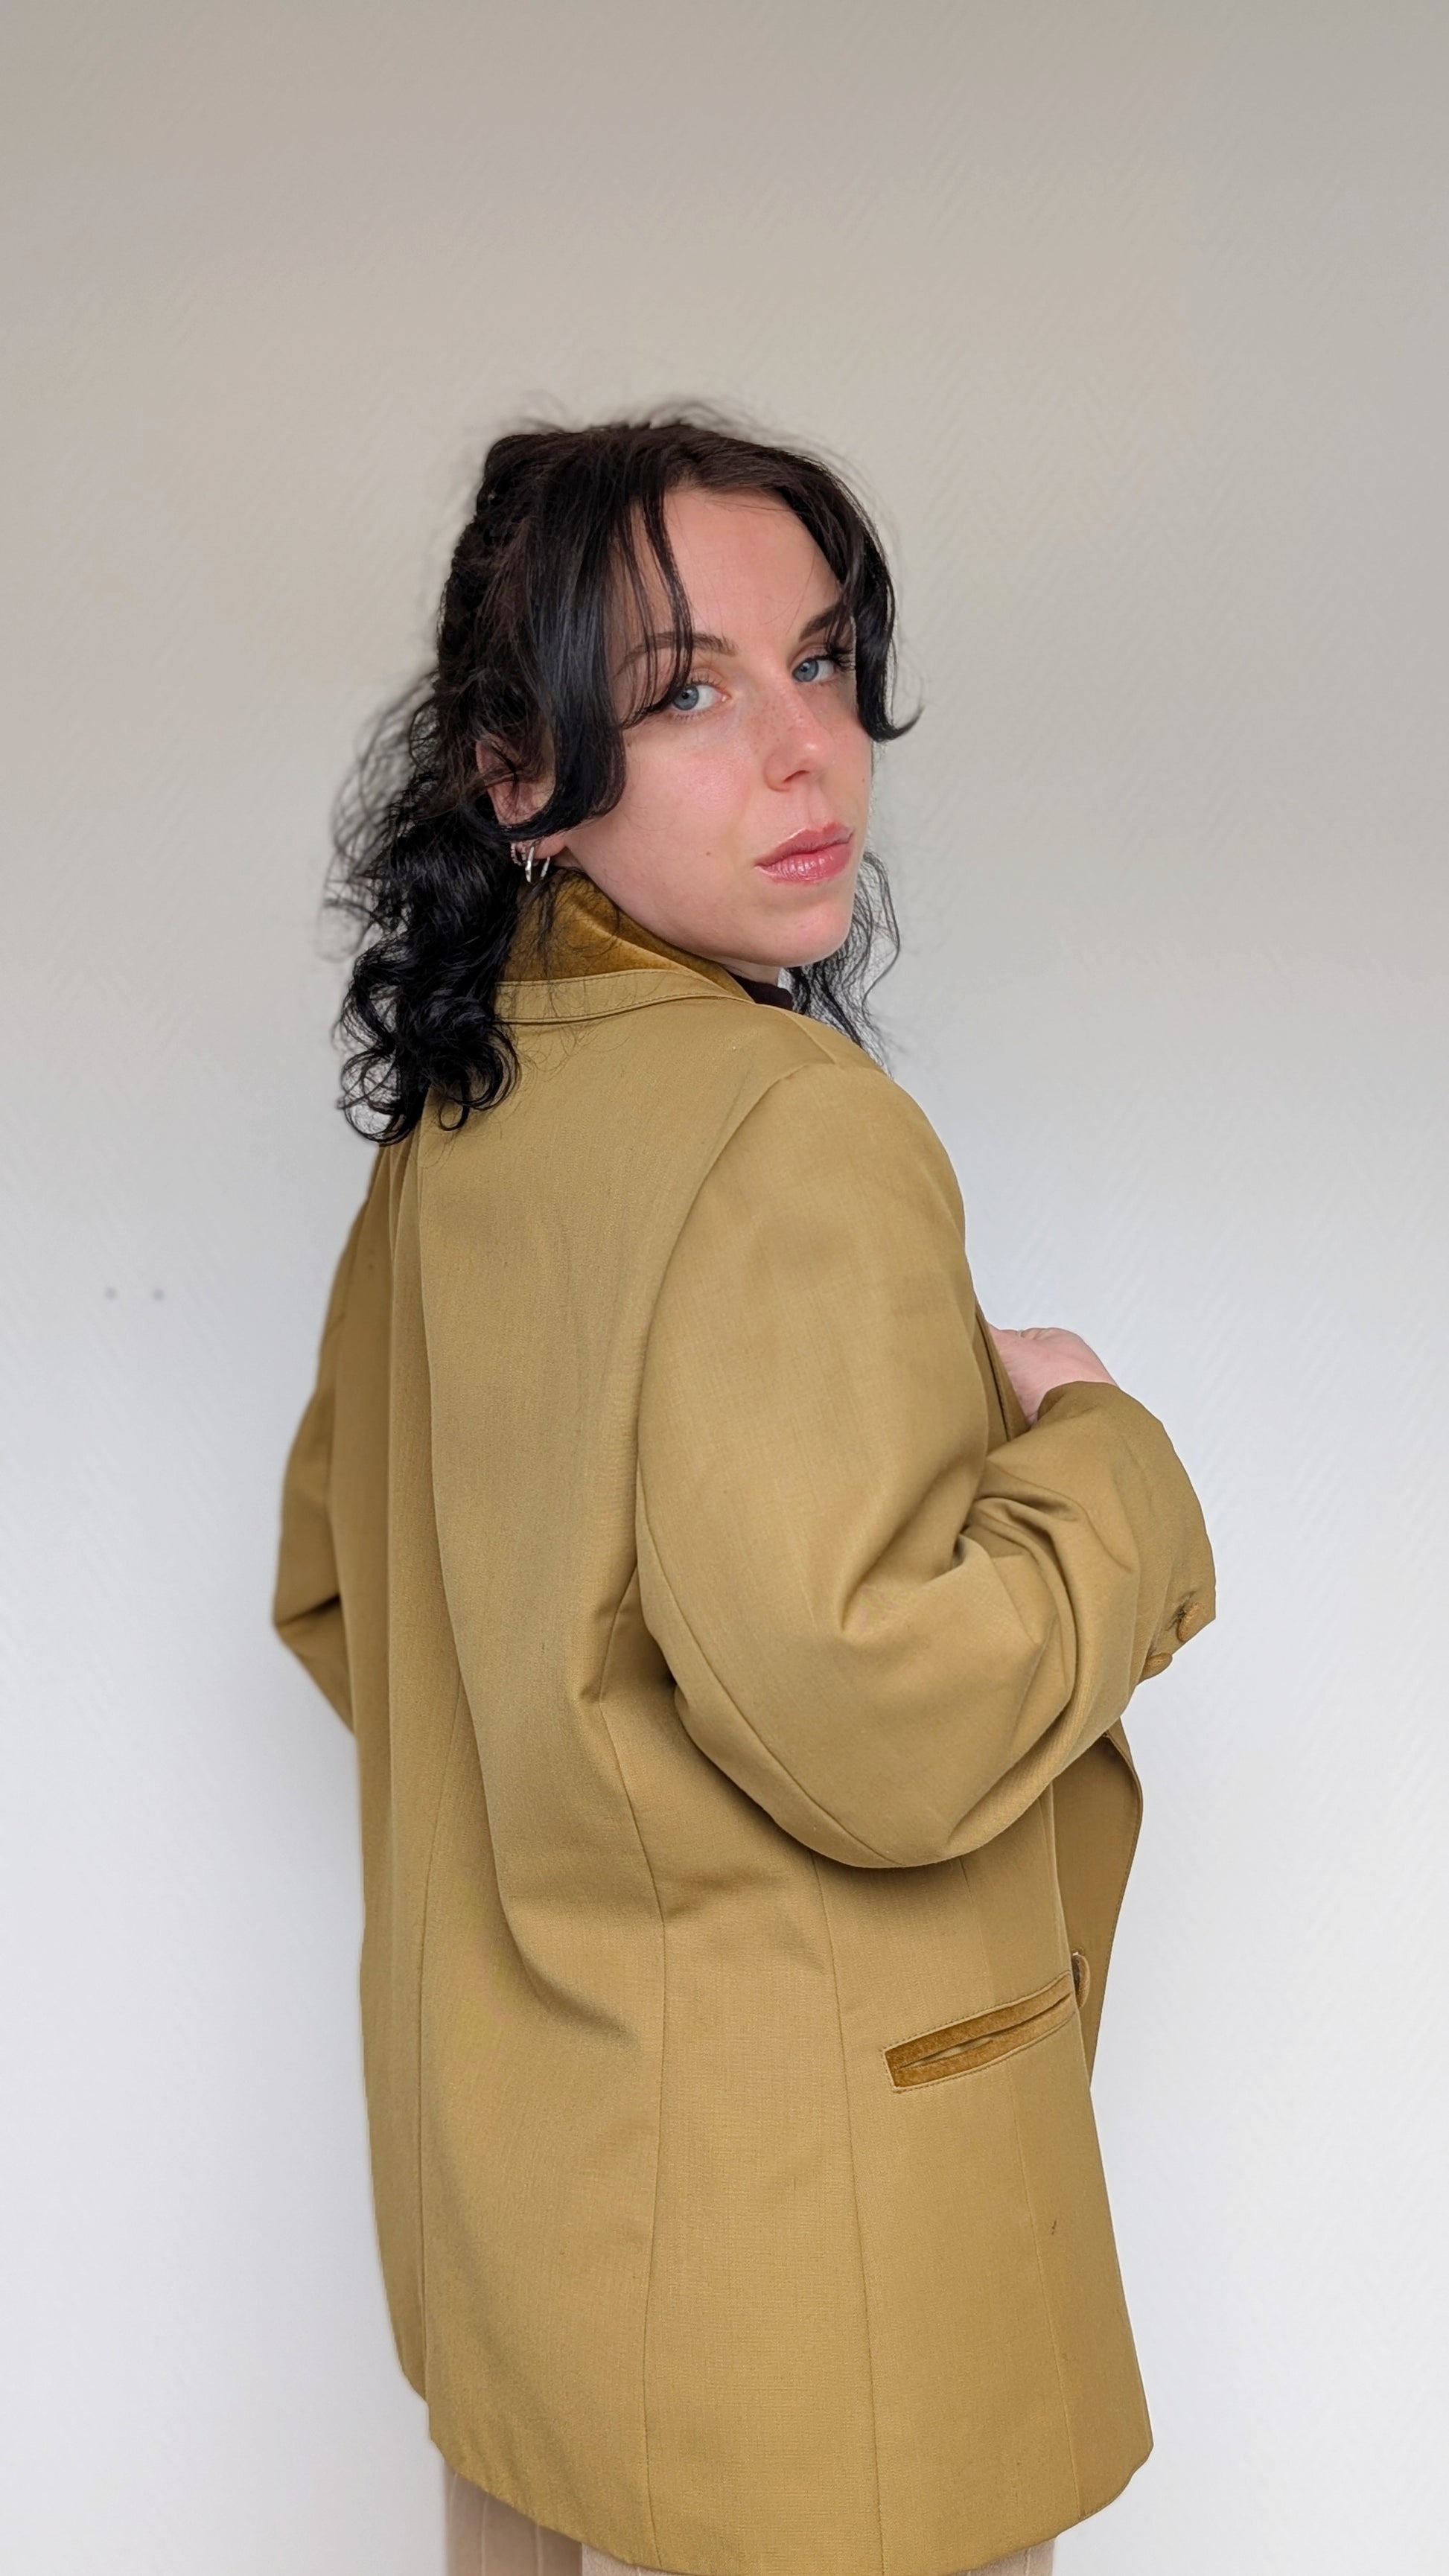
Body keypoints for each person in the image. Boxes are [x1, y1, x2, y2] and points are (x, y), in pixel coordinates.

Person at [273, 412, 1214, 2576]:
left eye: (822, 661)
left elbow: (344, 1594)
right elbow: (880, 1718)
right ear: (516, 768)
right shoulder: (790, 1130)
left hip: (535, 2256)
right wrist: (1109, 1463)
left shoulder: (462, 1121)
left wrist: (582, 1828)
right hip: (806, 2316)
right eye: (688, 690)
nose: (805, 752)